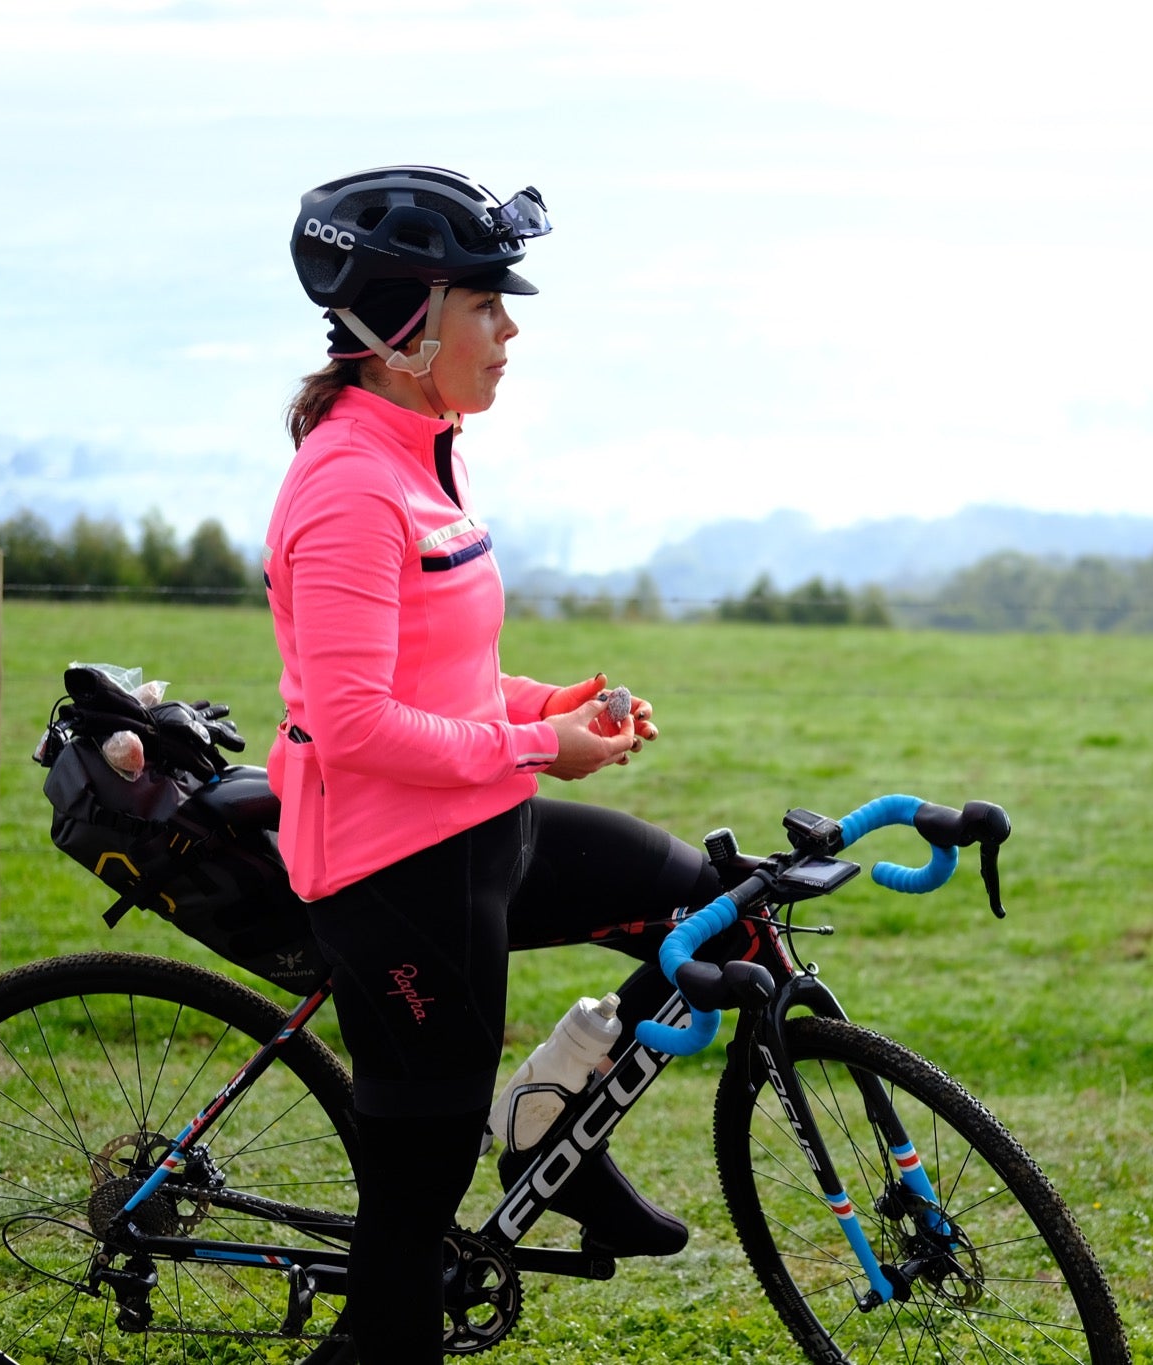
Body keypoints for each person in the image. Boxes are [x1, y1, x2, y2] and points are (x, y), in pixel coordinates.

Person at [267, 165, 726, 1364]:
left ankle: (550, 1126)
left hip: (481, 827)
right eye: (485, 304)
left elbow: (439, 679)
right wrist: (538, 746)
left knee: (713, 912)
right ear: (409, 327)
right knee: (410, 1225)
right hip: (393, 870)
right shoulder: (351, 488)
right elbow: (357, 723)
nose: (508, 329)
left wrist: (548, 704)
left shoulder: (427, 450)